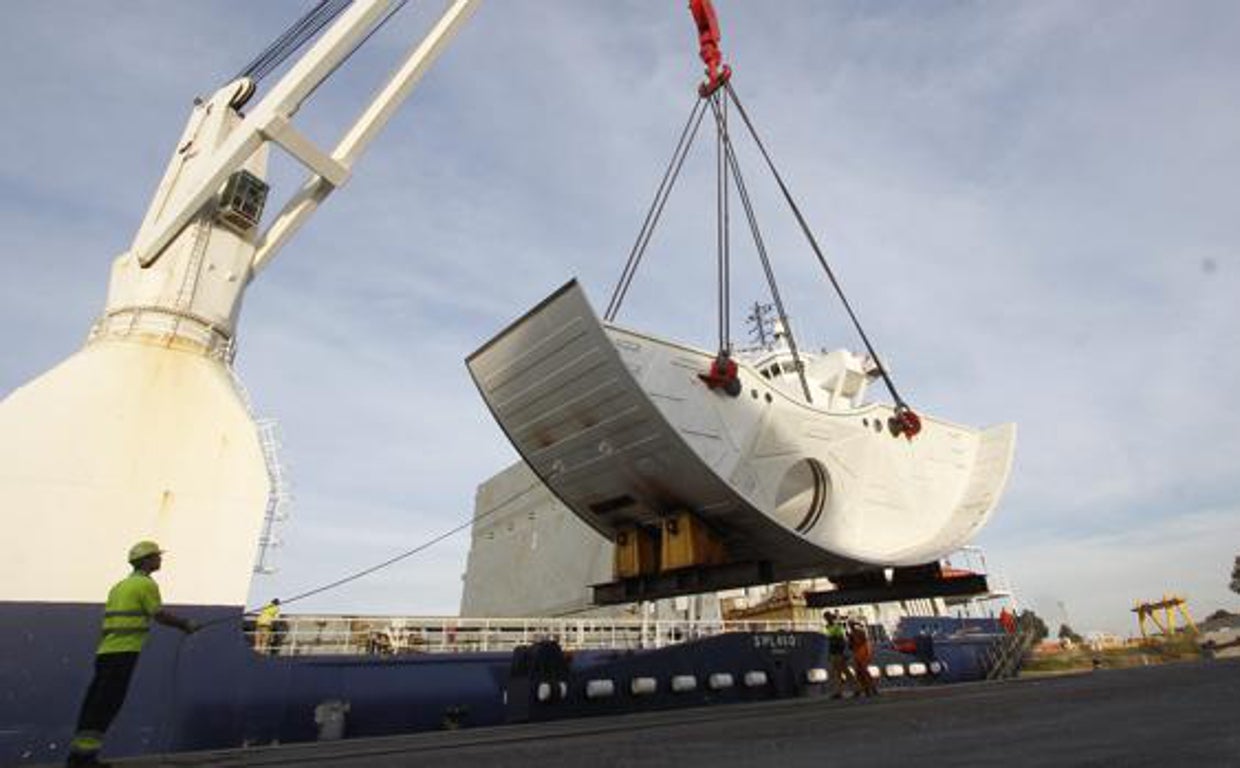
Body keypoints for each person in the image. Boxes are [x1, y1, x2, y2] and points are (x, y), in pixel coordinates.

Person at [66, 541, 196, 767]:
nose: (160, 559)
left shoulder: (119, 586)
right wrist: (185, 624)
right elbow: (159, 614)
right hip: (124, 652)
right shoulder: (145, 585)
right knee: (107, 705)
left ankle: (79, 756)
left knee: (94, 704)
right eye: (156, 556)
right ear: (146, 560)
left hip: (106, 651)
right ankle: (84, 759)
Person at [823, 611, 856, 699]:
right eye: (826, 617)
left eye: (827, 617)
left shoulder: (837, 627)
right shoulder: (828, 627)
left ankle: (856, 689)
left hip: (838, 653)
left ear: (831, 618)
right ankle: (839, 692)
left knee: (844, 672)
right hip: (834, 653)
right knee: (836, 673)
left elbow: (841, 641)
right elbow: (831, 641)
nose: (826, 619)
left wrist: (841, 653)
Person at [848, 619, 879, 697]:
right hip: (858, 653)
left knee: (863, 671)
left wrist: (851, 639)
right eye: (849, 625)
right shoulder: (854, 633)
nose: (850, 626)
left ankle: (870, 688)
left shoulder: (858, 632)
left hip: (862, 653)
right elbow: (852, 646)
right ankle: (866, 689)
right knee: (859, 672)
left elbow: (859, 642)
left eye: (851, 624)